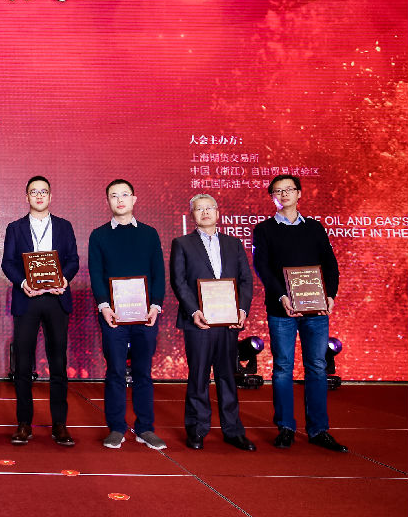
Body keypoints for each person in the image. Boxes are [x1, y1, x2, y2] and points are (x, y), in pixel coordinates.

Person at [253, 174, 346, 452]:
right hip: (281, 309)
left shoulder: (315, 228)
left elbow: (330, 264)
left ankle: (318, 430)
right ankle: (285, 427)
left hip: (316, 309)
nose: (284, 195)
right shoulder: (264, 229)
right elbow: (262, 267)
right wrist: (281, 296)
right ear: (272, 197)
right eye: (277, 191)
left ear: (299, 193)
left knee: (317, 366)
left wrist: (330, 295)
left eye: (289, 190)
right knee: (282, 368)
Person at [169, 193, 255, 451]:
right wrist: (194, 311)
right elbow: (178, 281)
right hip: (198, 321)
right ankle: (197, 430)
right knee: (198, 376)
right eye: (199, 209)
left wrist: (242, 309)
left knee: (228, 376)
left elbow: (246, 280)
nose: (205, 212)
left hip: (228, 321)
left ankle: (233, 431)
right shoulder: (182, 243)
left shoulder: (233, 244)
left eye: (209, 208)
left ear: (218, 213)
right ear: (192, 215)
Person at [88, 179, 166, 450]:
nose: (119, 200)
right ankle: (116, 428)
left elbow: (158, 272)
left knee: (143, 371)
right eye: (114, 195)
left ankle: (145, 428)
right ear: (107, 201)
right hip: (113, 316)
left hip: (146, 315)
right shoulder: (99, 235)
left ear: (134, 199)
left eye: (124, 195)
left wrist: (156, 305)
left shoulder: (149, 234)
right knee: (116, 371)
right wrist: (104, 306)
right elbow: (96, 274)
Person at [1, 176, 79, 446]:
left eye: (43, 191)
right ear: (26, 197)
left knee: (58, 363)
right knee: (23, 364)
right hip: (27, 299)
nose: (38, 195)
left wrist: (64, 280)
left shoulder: (64, 226)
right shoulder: (15, 228)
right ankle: (24, 423)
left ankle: (60, 424)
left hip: (57, 299)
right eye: (33, 192)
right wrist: (24, 283)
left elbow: (73, 260)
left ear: (50, 196)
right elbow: (8, 263)